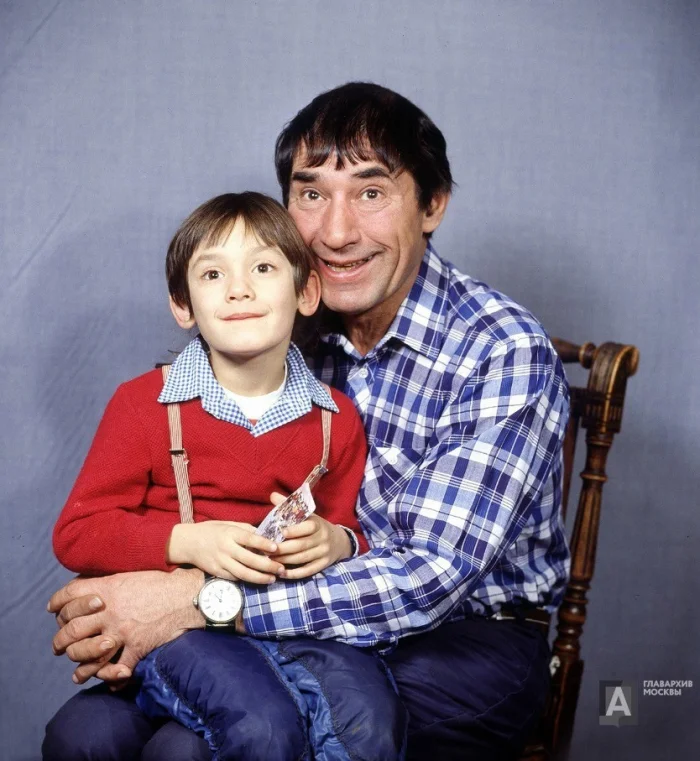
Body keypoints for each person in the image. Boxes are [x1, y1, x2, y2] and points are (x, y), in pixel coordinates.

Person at [45, 82, 571, 761]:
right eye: (312, 193)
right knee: (97, 732)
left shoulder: (500, 349)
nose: (337, 232)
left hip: (456, 636)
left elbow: (429, 578)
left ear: (432, 204)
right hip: (281, 612)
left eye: (371, 192)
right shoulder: (280, 320)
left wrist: (195, 602)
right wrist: (141, 591)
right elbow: (169, 470)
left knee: (209, 740)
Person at [48, 191, 407, 761]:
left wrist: (336, 541)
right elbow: (78, 533)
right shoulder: (145, 406)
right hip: (182, 629)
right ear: (183, 304)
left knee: (370, 720)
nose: (239, 289)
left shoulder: (334, 420)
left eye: (263, 268)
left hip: (288, 624)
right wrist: (187, 541)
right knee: (262, 725)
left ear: (306, 293)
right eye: (213, 274)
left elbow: (349, 528)